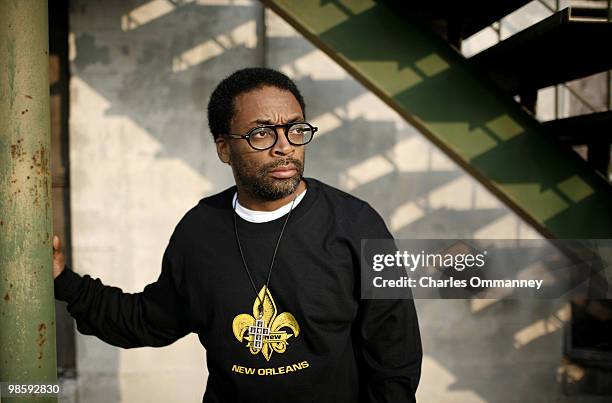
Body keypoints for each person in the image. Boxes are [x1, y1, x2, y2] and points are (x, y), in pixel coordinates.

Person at [53, 67, 422, 402]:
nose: (285, 146)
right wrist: (64, 281)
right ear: (224, 149)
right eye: (262, 133)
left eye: (295, 129)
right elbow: (149, 320)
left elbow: (394, 353)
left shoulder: (357, 224)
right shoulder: (199, 230)